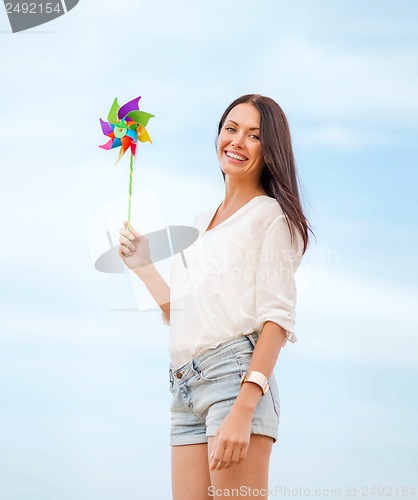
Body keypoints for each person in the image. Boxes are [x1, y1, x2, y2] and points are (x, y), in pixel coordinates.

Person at [118, 94, 314, 499]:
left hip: (235, 380)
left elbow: (277, 319)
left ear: (271, 149)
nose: (237, 141)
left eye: (254, 135)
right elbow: (185, 313)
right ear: (218, 137)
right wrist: (142, 264)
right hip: (184, 385)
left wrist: (244, 408)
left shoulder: (270, 218)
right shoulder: (199, 224)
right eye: (231, 129)